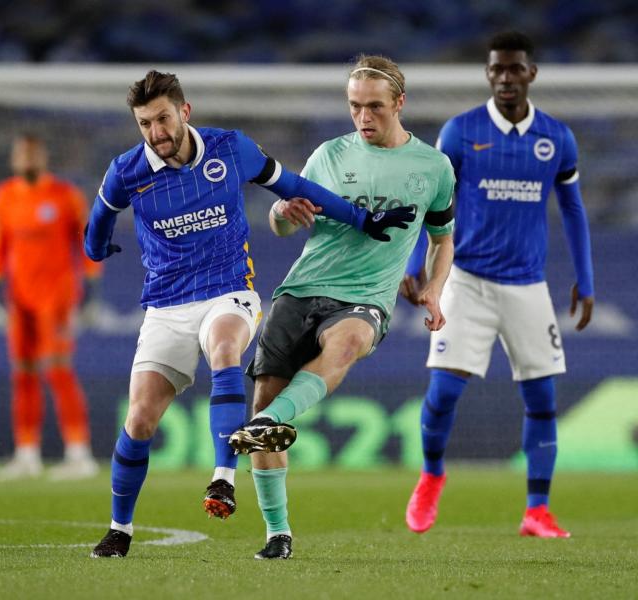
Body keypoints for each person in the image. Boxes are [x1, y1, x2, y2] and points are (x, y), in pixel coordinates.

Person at [84, 70, 416, 558]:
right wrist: (96, 247)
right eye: (144, 124)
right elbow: (97, 224)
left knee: (224, 349)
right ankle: (119, 528)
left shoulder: (230, 150)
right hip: (166, 305)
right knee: (140, 420)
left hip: (229, 291)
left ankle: (222, 478)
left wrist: (363, 218)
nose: (156, 133)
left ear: (184, 112)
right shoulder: (127, 171)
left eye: (163, 119)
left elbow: (296, 186)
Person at [227, 55, 456, 560]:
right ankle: (277, 532)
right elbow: (285, 223)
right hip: (301, 288)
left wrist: (436, 287)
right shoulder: (328, 155)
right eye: (355, 107)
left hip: (365, 296)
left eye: (374, 106)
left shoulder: (433, 167)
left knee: (349, 341)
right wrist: (283, 212)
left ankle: (271, 421)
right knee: (265, 403)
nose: (363, 117)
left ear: (400, 103)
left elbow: (443, 238)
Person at [402, 31, 594, 539]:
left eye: (515, 69)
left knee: (543, 400)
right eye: (496, 70)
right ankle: (431, 476)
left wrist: (586, 278)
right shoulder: (461, 132)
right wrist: (413, 261)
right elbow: (432, 200)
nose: (505, 78)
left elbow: (572, 209)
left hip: (529, 288)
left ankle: (537, 510)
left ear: (531, 73)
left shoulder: (557, 137)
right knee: (442, 393)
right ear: (489, 74)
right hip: (466, 280)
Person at [0, 134, 101, 481]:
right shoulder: (3, 195)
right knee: (23, 374)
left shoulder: (65, 196)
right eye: (22, 153)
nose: (28, 158)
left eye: (33, 152)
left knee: (58, 370)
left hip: (57, 297)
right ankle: (26, 454)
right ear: (14, 159)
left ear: (44, 156)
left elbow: (86, 242)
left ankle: (80, 454)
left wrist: (91, 290)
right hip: (19, 298)